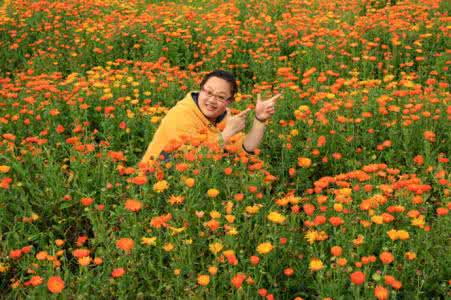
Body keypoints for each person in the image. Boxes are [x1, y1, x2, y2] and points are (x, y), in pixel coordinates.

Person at [140, 69, 281, 165]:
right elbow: (189, 160)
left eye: (220, 97)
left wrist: (260, 119)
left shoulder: (223, 116)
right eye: (208, 92)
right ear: (200, 89)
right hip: (156, 177)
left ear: (229, 102)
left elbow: (246, 148)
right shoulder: (181, 115)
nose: (212, 100)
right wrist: (226, 134)